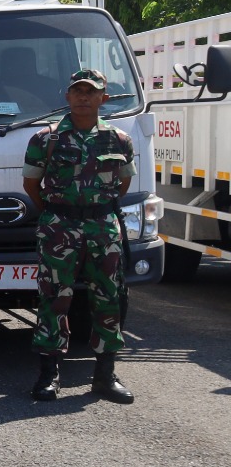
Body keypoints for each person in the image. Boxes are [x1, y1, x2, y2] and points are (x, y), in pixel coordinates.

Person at [22, 68, 136, 404]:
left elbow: (123, 183)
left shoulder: (119, 140)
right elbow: (31, 185)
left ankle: (105, 376)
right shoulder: (47, 139)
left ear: (104, 97)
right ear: (67, 96)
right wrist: (61, 212)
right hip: (60, 228)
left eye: (91, 91)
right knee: (54, 298)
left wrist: (93, 209)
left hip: (103, 227)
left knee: (109, 298)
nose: (84, 97)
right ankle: (48, 375)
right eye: (78, 91)